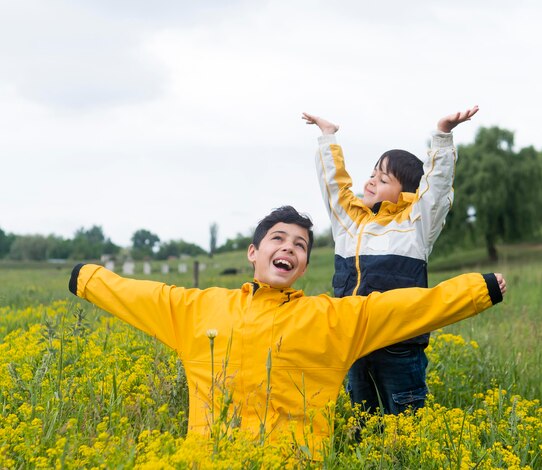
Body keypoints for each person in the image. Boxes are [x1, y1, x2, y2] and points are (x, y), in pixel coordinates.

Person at [68, 205, 506, 454]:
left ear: (303, 265)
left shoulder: (331, 318)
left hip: (297, 460)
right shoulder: (199, 308)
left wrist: (476, 290)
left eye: (300, 245)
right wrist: (87, 279)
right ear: (254, 252)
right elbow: (139, 294)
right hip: (209, 459)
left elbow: (405, 308)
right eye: (278, 239)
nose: (289, 248)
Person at [303, 107, 478, 415]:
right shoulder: (349, 223)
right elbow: (334, 186)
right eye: (372, 174)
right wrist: (327, 137)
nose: (370, 182)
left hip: (400, 346)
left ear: (407, 194)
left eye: (383, 179)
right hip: (355, 342)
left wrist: (443, 135)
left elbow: (436, 190)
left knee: (403, 421)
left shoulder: (415, 225)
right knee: (363, 421)